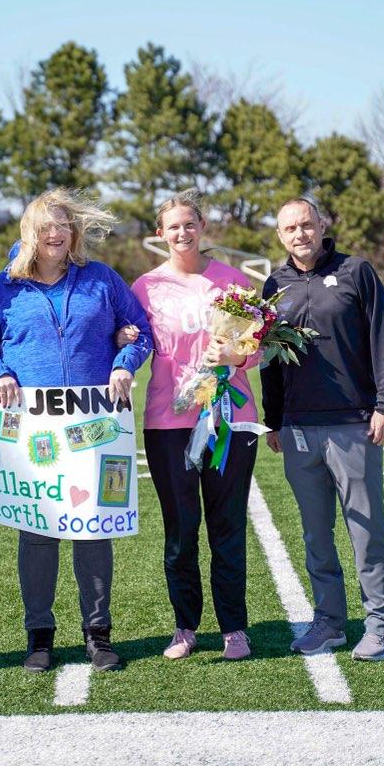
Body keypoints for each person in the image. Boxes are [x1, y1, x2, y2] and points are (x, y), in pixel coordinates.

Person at [0, 189, 152, 674]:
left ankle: (98, 634)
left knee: (92, 531)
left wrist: (125, 361)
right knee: (37, 536)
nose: (55, 234)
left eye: (64, 225)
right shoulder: (4, 288)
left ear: (74, 232)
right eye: (47, 226)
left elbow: (140, 329)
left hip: (95, 425)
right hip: (34, 432)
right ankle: (40, 636)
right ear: (30, 232)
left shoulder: (101, 280)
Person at [260, 198, 384, 662]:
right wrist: (274, 418)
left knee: (366, 529)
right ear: (280, 236)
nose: (299, 234)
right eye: (290, 228)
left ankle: (381, 624)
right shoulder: (274, 284)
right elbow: (269, 358)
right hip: (299, 427)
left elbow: (383, 336)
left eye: (306, 224)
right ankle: (328, 622)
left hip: (353, 423)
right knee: (315, 532)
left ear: (322, 225)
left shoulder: (356, 271)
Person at [130, 192, 260, 661]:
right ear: (160, 233)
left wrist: (235, 355)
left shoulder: (233, 281)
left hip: (230, 420)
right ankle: (185, 627)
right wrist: (123, 337)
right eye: (173, 227)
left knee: (227, 527)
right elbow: (134, 343)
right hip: (169, 422)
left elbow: (257, 348)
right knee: (180, 530)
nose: (182, 233)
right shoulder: (144, 287)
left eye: (189, 224)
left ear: (202, 226)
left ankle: (234, 629)